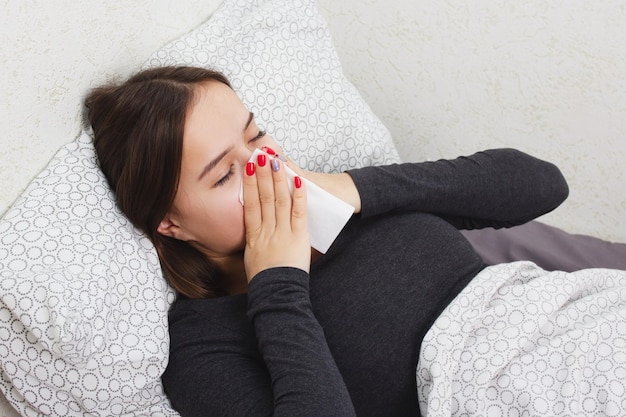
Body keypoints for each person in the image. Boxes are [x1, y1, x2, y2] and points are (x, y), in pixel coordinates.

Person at [85, 66, 574, 416]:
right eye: (223, 176)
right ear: (170, 224)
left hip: (575, 318)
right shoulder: (203, 343)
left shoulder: (345, 206)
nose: (265, 167)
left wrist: (353, 187)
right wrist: (278, 283)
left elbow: (544, 184)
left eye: (256, 137)